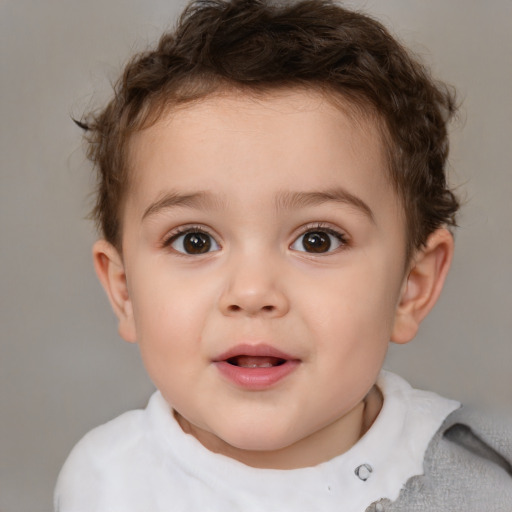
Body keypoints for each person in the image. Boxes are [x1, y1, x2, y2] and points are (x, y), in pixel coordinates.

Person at [54, 0, 512, 510]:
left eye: (318, 239)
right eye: (195, 240)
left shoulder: (480, 481)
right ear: (124, 292)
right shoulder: (105, 481)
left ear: (412, 285)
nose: (252, 292)